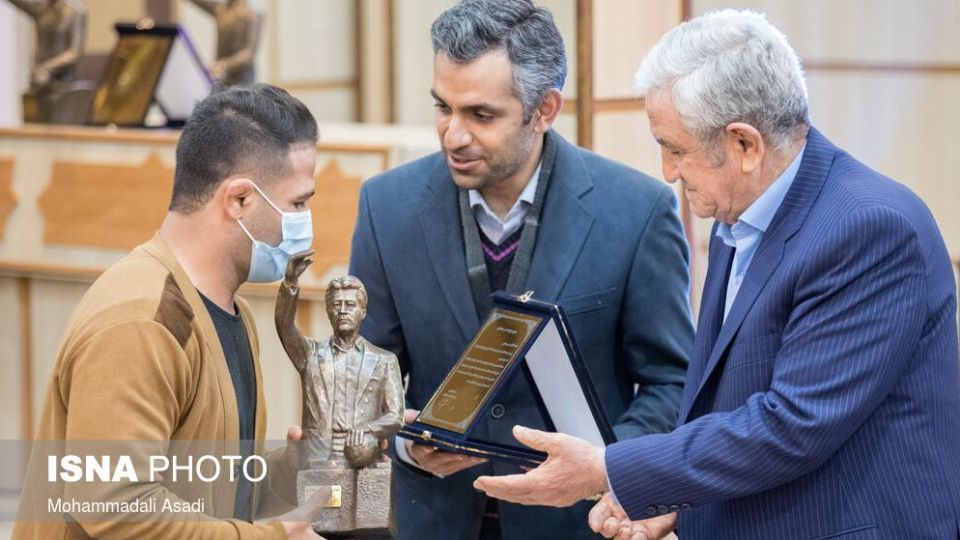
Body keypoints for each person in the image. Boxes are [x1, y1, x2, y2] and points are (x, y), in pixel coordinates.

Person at [473, 9, 960, 540]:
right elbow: (724, 402)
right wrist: (675, 501)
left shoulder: (869, 229)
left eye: (675, 149)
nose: (668, 173)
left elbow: (794, 425)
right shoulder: (739, 212)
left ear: (744, 144)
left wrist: (607, 469)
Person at [348, 1, 693, 538]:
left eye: (480, 115)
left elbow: (672, 382)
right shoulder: (386, 206)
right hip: (433, 521)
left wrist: (601, 466)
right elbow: (364, 381)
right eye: (443, 107)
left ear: (544, 109)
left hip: (580, 524)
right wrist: (404, 443)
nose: (453, 135)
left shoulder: (637, 210)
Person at [14, 84, 331, 539]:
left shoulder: (231, 312)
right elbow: (117, 505)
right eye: (298, 202)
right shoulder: (140, 321)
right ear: (239, 199)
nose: (305, 219)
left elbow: (206, 487)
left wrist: (293, 469)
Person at [275, 260, 404, 469]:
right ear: (328, 311)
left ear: (363, 312)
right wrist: (290, 282)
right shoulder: (310, 355)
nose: (343, 310)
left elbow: (396, 417)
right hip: (318, 455)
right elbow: (284, 326)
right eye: (337, 305)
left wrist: (370, 430)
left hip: (363, 454)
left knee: (368, 488)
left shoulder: (384, 361)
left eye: (350, 305)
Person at [187, 0, 262, 86]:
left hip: (242, 78)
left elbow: (248, 53)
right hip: (221, 77)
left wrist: (224, 64)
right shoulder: (221, 9)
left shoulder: (251, 15)